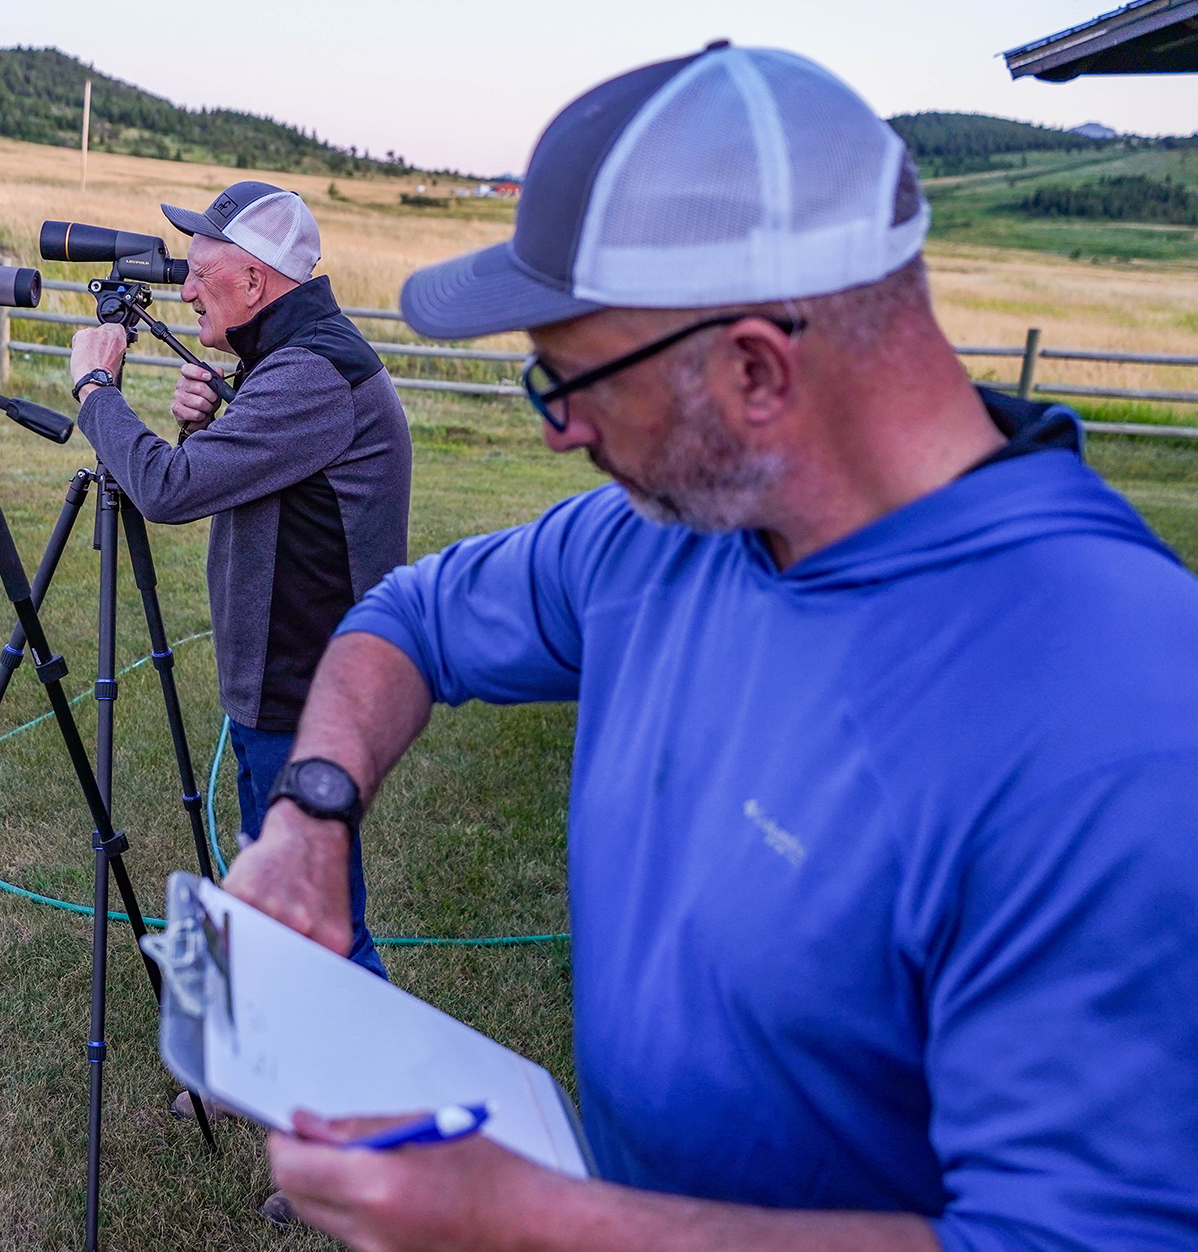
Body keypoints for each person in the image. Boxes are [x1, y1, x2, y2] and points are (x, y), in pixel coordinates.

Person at [226, 43, 1198, 1252]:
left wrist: (537, 1224)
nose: (557, 431)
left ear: (752, 367)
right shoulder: (658, 534)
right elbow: (404, 620)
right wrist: (311, 816)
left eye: (566, 381)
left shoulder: (1124, 717)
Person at [68, 182, 412, 978]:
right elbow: (248, 476)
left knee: (319, 918)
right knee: (285, 892)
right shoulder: (299, 356)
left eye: (200, 273)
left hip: (307, 690)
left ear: (254, 284)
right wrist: (206, 426)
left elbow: (168, 490)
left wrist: (94, 391)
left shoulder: (308, 376)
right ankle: (262, 1061)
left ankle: (368, 1094)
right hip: (312, 681)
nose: (184, 290)